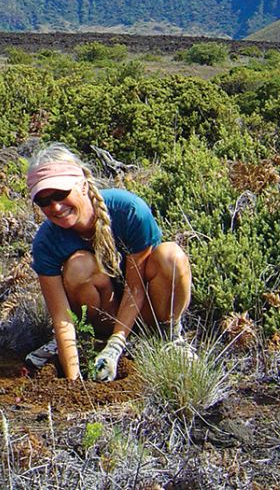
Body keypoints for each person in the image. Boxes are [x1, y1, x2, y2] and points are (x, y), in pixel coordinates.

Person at [25, 143, 191, 381]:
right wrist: (73, 381)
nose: (56, 207)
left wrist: (115, 347)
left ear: (82, 185)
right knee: (79, 265)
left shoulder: (129, 211)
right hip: (104, 315)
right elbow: (61, 316)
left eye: (61, 194)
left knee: (171, 256)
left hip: (145, 310)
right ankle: (90, 340)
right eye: (44, 201)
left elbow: (135, 288)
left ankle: (169, 337)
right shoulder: (46, 241)